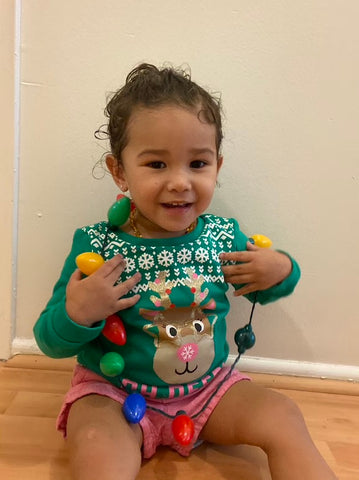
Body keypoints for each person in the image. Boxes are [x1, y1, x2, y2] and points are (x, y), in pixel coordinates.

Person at [33, 63, 337, 480]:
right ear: (119, 170)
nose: (180, 181)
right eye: (157, 165)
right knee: (95, 452)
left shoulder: (222, 236)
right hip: (115, 396)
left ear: (218, 165)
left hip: (209, 392)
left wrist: (280, 269)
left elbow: (263, 289)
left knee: (283, 414)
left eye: (197, 163)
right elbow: (48, 339)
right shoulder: (97, 248)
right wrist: (78, 313)